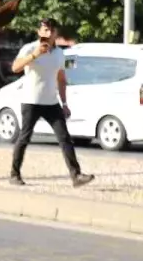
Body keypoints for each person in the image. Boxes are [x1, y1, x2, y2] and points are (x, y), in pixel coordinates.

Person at [9, 18, 94, 187]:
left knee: (65, 138)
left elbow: (61, 79)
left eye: (50, 31)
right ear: (39, 32)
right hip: (31, 101)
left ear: (55, 33)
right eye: (44, 30)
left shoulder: (59, 54)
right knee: (24, 137)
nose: (47, 34)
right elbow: (15, 68)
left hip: (51, 102)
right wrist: (35, 55)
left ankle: (76, 176)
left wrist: (64, 103)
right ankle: (14, 174)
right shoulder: (29, 48)